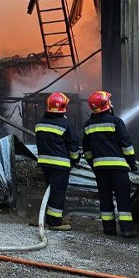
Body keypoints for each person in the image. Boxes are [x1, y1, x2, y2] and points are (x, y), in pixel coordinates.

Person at [82, 90, 138, 238]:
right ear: (106, 105)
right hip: (118, 169)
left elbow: (87, 151)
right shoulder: (116, 122)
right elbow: (126, 146)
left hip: (100, 170)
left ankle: (108, 229)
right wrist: (132, 163)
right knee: (123, 198)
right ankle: (126, 230)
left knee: (105, 198)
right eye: (109, 101)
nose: (111, 103)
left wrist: (94, 166)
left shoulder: (88, 126)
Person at [35, 91, 81, 231]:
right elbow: (73, 146)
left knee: (51, 190)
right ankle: (55, 222)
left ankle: (48, 218)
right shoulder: (66, 124)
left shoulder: (40, 123)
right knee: (58, 192)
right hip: (60, 164)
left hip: (44, 163)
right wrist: (75, 160)